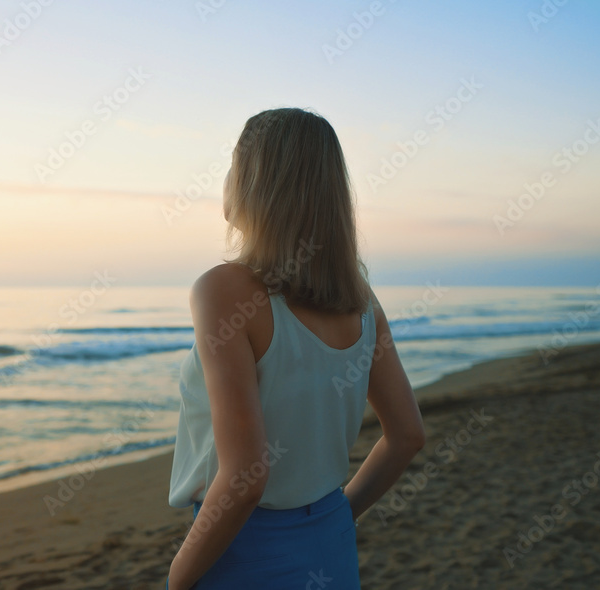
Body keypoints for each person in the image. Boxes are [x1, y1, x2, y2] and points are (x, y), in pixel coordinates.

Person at [165, 108, 426, 589]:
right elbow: (407, 435)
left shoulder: (223, 291)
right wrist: (334, 518)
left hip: (242, 553)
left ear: (254, 182)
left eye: (233, 162)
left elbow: (245, 477)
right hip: (330, 545)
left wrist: (178, 580)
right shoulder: (363, 302)